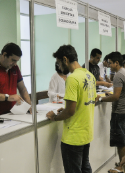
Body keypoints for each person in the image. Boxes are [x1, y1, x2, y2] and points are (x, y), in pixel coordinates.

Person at [46, 45, 98, 173]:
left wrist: (55, 117)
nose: (59, 66)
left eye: (59, 63)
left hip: (73, 136)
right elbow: (91, 100)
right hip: (86, 133)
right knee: (85, 168)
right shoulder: (89, 75)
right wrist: (65, 109)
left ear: (65, 59)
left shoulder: (72, 78)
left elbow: (70, 111)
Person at [97, 52, 125, 173]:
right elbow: (120, 93)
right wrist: (110, 95)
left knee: (120, 142)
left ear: (116, 63)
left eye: (110, 63)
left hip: (120, 112)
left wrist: (101, 98)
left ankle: (122, 167)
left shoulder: (118, 75)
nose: (109, 65)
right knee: (123, 140)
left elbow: (116, 97)